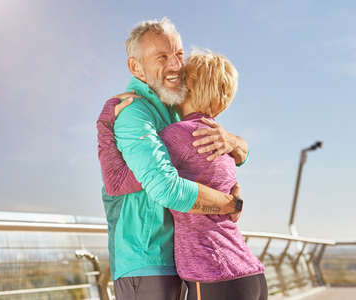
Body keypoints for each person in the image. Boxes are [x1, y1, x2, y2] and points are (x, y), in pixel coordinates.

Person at [96, 18, 248, 300]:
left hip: (181, 261)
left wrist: (234, 142)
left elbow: (230, 156)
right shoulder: (132, 111)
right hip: (146, 261)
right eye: (162, 57)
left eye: (179, 54)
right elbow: (161, 186)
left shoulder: (176, 110)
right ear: (136, 68)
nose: (176, 65)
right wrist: (230, 203)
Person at [159, 49, 267, 300]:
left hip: (213, 274)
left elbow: (140, 178)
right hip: (251, 275)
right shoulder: (223, 142)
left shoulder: (175, 136)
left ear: (187, 86)